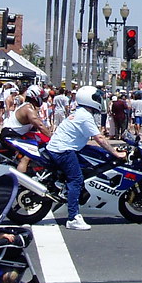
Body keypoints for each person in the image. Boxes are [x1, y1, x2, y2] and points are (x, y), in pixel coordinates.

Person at [44, 86, 125, 231]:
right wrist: (116, 153)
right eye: (96, 98)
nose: (99, 100)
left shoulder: (80, 113)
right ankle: (73, 218)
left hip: (60, 148)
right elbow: (99, 138)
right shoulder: (85, 116)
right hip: (63, 150)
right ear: (89, 99)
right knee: (76, 180)